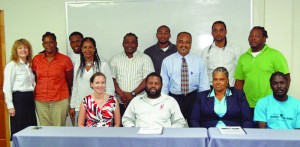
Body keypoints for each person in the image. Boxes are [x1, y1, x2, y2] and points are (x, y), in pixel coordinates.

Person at [234, 26, 290, 115]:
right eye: (251, 36)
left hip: (270, 104)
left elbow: (286, 78)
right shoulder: (243, 58)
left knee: (268, 129)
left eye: (257, 36)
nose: (253, 38)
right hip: (247, 105)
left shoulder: (275, 55)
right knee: (248, 129)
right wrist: (237, 102)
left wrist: (281, 100)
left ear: (264, 39)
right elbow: (239, 82)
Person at [161, 32, 210, 126]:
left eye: (187, 42)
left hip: (194, 98)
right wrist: (164, 104)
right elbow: (164, 86)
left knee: (196, 127)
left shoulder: (199, 61)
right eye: (181, 42)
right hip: (175, 99)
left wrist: (203, 103)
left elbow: (204, 85)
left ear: (191, 44)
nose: (184, 45)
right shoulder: (167, 61)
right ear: (176, 43)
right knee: (175, 128)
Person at [70, 37, 115, 126]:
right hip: (81, 106)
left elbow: (110, 86)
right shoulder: (77, 64)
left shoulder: (103, 65)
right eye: (85, 47)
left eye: (90, 47)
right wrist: (73, 106)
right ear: (81, 49)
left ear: (94, 49)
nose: (87, 50)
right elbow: (75, 86)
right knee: (82, 135)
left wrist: (108, 106)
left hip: (100, 106)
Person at [32, 32, 73, 126]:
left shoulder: (65, 60)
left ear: (55, 43)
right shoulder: (36, 59)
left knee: (58, 129)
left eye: (51, 42)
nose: (49, 45)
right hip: (40, 100)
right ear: (43, 44)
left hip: (60, 100)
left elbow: (69, 80)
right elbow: (36, 78)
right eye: (46, 43)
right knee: (45, 130)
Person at [109, 33, 154, 116]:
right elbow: (112, 79)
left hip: (140, 101)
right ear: (123, 44)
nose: (130, 45)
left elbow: (148, 80)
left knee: (139, 126)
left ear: (137, 44)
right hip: (120, 102)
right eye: (127, 42)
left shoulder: (145, 58)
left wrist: (132, 94)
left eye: (133, 42)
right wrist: (122, 95)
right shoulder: (115, 59)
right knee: (120, 127)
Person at [3, 39, 37, 139]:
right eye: (20, 48)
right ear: (15, 50)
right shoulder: (12, 65)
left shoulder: (29, 65)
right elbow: (7, 87)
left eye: (25, 47)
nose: (23, 50)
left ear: (29, 50)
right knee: (19, 130)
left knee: (31, 129)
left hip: (29, 99)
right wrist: (10, 106)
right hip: (18, 100)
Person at [201, 21, 241, 86]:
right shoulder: (206, 51)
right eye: (215, 30)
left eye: (221, 30)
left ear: (226, 32)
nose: (218, 33)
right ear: (212, 33)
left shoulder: (235, 49)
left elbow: (240, 72)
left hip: (230, 88)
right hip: (212, 89)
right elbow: (203, 73)